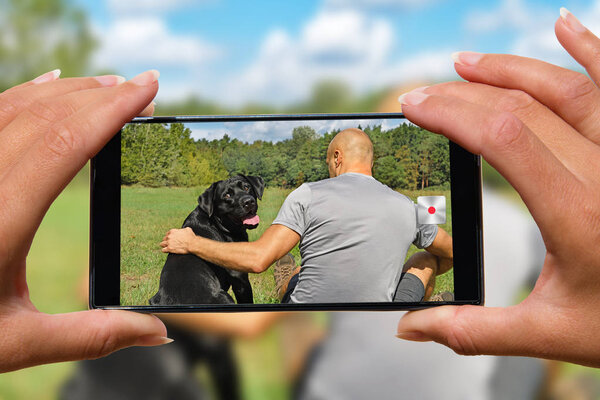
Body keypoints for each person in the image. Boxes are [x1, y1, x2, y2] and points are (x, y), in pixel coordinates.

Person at [395, 8, 600, 368]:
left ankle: (428, 282)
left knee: (422, 258)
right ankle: (433, 286)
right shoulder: (516, 223)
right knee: (426, 257)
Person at [160, 127, 453, 303]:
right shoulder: (408, 205)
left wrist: (191, 243)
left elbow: (258, 259)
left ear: (337, 157)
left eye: (328, 160)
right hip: (382, 325)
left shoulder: (307, 194)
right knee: (424, 260)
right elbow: (453, 252)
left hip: (308, 323)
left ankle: (286, 279)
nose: (329, 167)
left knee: (301, 270)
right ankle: (416, 312)